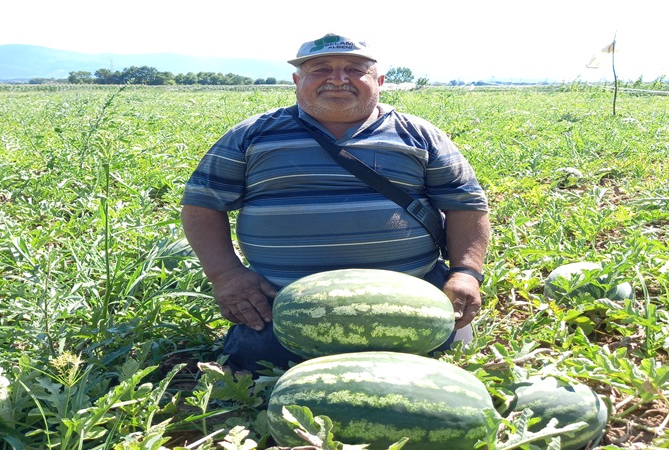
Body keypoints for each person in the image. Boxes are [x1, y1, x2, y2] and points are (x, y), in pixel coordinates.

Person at [180, 32, 491, 375]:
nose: (338, 79)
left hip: (412, 303)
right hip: (287, 305)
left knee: (430, 381)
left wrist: (465, 273)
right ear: (297, 81)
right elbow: (202, 205)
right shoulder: (251, 136)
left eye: (355, 69)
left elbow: (466, 205)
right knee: (261, 376)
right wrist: (226, 275)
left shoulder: (419, 135)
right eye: (320, 69)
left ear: (380, 81)